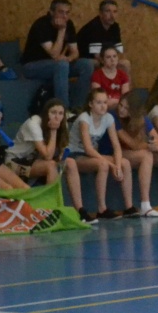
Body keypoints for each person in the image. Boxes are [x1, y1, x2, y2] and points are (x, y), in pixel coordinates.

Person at [64, 87, 131, 219]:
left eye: (105, 102)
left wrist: (117, 166)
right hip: (76, 154)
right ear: (91, 104)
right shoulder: (84, 118)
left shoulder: (108, 118)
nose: (103, 106)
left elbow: (116, 146)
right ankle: (102, 208)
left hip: (91, 155)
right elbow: (88, 148)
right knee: (103, 164)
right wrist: (111, 165)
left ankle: (129, 207)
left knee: (125, 163)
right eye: (99, 102)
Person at [21, 0, 94, 110]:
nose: (64, 16)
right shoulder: (41, 25)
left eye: (67, 13)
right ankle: (63, 109)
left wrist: (68, 59)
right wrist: (61, 31)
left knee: (87, 64)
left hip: (56, 64)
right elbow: (54, 54)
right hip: (32, 66)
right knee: (61, 65)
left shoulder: (69, 24)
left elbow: (75, 53)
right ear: (51, 12)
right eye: (61, 12)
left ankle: (78, 107)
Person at [112, 95, 158, 218]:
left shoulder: (141, 118)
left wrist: (154, 143)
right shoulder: (113, 117)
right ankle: (145, 204)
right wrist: (149, 145)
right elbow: (133, 145)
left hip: (129, 152)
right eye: (121, 105)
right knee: (146, 155)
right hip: (113, 151)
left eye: (126, 108)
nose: (121, 110)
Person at [5, 98, 65, 187]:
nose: (57, 117)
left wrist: (61, 155)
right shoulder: (33, 123)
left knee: (70, 162)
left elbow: (62, 147)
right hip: (13, 162)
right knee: (51, 165)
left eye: (60, 113)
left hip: (33, 161)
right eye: (53, 112)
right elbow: (47, 156)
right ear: (46, 113)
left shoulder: (62, 124)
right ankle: (51, 196)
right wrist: (53, 130)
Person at [76, 0, 129, 76]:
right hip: (85, 59)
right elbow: (97, 55)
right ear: (100, 13)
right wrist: (112, 62)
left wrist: (117, 60)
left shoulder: (115, 27)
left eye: (115, 12)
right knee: (96, 63)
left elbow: (119, 51)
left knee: (125, 63)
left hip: (105, 58)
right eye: (108, 11)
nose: (112, 16)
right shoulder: (94, 26)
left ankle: (126, 84)